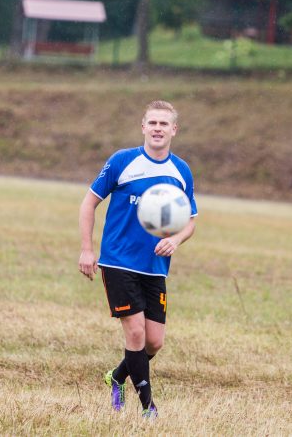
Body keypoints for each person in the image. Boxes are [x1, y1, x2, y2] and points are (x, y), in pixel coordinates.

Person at [78, 100, 197, 419]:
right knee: (135, 333)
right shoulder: (122, 161)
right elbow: (88, 204)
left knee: (154, 342)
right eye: (152, 123)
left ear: (174, 130)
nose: (158, 128)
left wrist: (175, 238)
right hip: (118, 261)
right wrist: (87, 249)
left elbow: (191, 220)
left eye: (164, 124)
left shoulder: (181, 171)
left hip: (155, 267)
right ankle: (148, 407)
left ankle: (117, 377)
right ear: (143, 127)